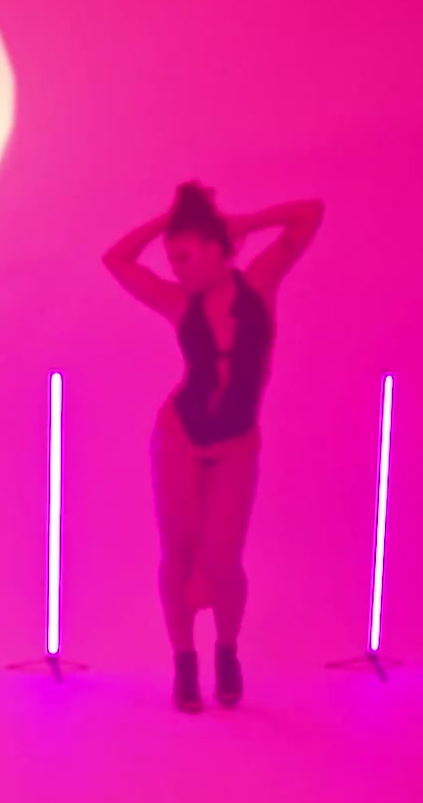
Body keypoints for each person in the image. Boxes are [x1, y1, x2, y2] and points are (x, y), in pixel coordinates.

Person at [103, 183, 324, 713]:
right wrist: (165, 220)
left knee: (223, 560)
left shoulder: (261, 282)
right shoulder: (179, 303)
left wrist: (243, 225)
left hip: (237, 441)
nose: (176, 270)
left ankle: (227, 650)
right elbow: (116, 260)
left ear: (214, 247)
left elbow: (310, 213)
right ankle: (184, 661)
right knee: (178, 555)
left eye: (184, 257)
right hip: (180, 435)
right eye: (171, 260)